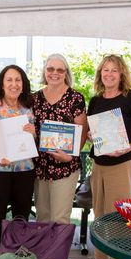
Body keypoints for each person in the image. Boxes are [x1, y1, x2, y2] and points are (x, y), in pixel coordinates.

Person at [80, 54, 131, 259]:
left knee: (120, 218)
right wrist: (91, 136)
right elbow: (92, 132)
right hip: (98, 165)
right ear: (100, 73)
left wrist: (128, 146)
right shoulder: (96, 101)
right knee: (99, 214)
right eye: (105, 70)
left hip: (122, 166)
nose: (108, 74)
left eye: (114, 71)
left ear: (121, 75)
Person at [0, 64, 37, 259]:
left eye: (18, 80)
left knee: (21, 221)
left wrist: (33, 133)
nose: (14, 84)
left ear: (23, 84)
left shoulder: (27, 108)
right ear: (2, 84)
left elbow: (32, 142)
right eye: (9, 80)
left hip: (24, 171)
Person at [32, 54, 87, 225]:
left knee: (60, 219)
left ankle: (57, 252)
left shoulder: (75, 98)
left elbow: (83, 131)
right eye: (50, 69)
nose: (54, 73)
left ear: (66, 73)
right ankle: (43, 252)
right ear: (45, 71)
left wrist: (71, 155)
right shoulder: (35, 98)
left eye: (59, 69)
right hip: (40, 166)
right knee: (42, 218)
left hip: (65, 166)